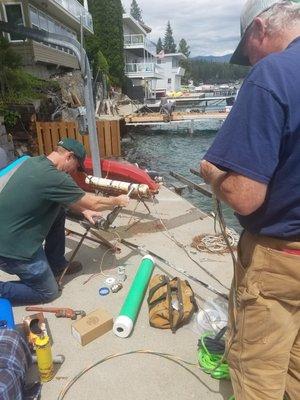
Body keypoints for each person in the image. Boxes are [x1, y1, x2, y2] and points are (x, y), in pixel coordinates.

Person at [200, 1, 300, 399]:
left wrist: (211, 171)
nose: (249, 62)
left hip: (280, 259)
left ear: (260, 28)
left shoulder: (271, 75)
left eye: (246, 53)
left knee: (256, 371)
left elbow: (244, 196)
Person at [0, 138, 130, 305]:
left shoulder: (32, 162)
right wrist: (116, 201)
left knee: (58, 211)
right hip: (12, 251)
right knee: (49, 292)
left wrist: (84, 210)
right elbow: (94, 203)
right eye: (76, 166)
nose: (74, 171)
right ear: (69, 156)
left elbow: (59, 196)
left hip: (8, 233)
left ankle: (56, 263)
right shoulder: (54, 177)